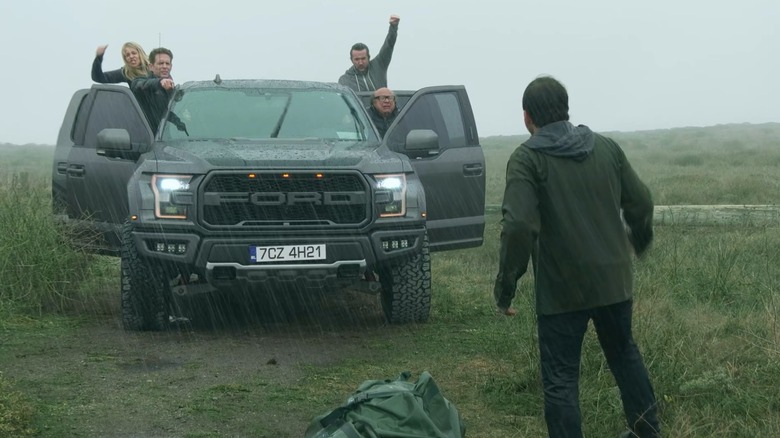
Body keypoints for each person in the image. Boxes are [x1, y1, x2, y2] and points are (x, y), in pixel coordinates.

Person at [493, 76, 660, 438]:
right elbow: (642, 201)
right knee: (624, 356)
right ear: (566, 109)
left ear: (526, 118)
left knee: (561, 378)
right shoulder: (606, 147)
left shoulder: (527, 158)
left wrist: (505, 288)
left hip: (561, 290)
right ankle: (648, 432)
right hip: (613, 282)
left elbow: (518, 226)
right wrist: (640, 241)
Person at [338, 15, 400, 92]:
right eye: (357, 59)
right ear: (351, 60)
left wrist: (393, 26)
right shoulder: (345, 80)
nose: (360, 62)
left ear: (368, 57)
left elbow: (389, 45)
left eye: (363, 58)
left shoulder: (379, 64)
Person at [130, 47, 175, 134]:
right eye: (161, 63)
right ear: (151, 66)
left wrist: (180, 122)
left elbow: (166, 113)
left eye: (167, 63)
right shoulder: (143, 83)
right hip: (145, 139)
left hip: (165, 138)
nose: (165, 66)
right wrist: (159, 82)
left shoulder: (171, 89)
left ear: (171, 66)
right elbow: (138, 85)